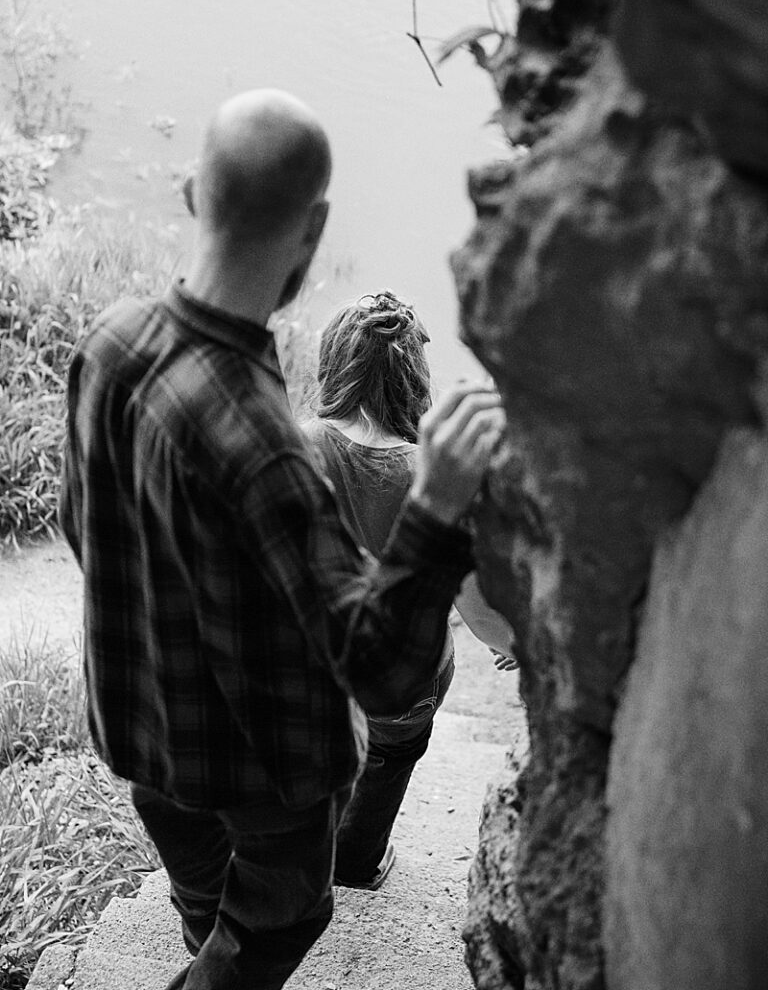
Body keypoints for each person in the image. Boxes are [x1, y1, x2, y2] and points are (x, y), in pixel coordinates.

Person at [58, 89, 506, 990]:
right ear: (316, 228)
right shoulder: (265, 451)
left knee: (204, 902)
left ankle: (199, 943)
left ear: (192, 194)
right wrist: (441, 506)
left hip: (144, 735)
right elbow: (380, 666)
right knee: (273, 923)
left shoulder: (107, 346)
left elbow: (84, 525)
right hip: (263, 780)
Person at [302, 291, 516, 892]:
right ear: (416, 379)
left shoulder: (292, 447)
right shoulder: (435, 475)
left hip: (304, 684)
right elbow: (480, 615)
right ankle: (355, 862)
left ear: (331, 366)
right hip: (398, 698)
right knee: (384, 767)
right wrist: (521, 647)